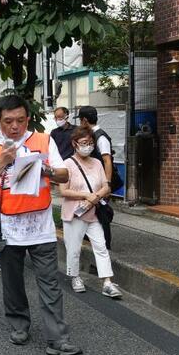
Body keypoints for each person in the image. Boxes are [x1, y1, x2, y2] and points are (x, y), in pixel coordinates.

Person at [0, 94, 81, 355]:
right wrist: (2, 162)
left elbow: (64, 173)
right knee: (13, 282)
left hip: (41, 225)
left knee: (50, 283)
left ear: (28, 119)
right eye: (8, 121)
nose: (15, 126)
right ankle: (19, 324)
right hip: (8, 227)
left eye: (20, 120)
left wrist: (46, 170)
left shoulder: (44, 140)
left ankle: (58, 339)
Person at [59, 126, 122, 299]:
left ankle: (107, 282)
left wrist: (95, 197)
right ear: (74, 144)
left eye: (90, 143)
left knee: (101, 246)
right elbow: (63, 191)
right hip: (75, 213)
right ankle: (75, 276)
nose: (88, 146)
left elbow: (106, 186)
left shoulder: (97, 163)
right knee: (73, 248)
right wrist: (86, 195)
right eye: (84, 143)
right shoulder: (67, 164)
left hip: (94, 212)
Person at [75, 105, 117, 248]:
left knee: (101, 215)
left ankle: (105, 247)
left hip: (100, 185)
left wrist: (108, 185)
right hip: (91, 184)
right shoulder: (91, 136)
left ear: (85, 120)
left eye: (80, 121)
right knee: (91, 215)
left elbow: (107, 161)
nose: (80, 124)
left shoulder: (100, 137)